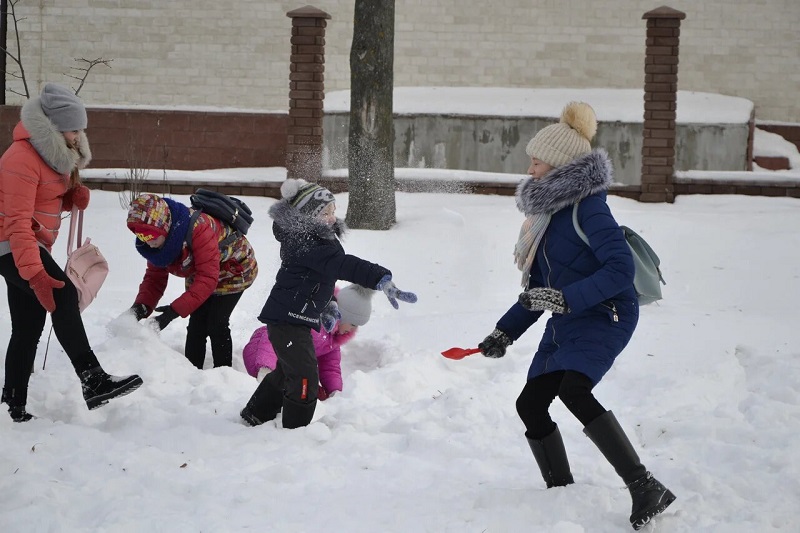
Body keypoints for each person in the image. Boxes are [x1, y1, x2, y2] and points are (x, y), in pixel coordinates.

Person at [476, 102, 675, 530]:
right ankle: (560, 493)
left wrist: (566, 299)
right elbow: (537, 291)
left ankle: (644, 486)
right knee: (530, 404)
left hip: (607, 313)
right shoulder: (547, 217)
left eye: (536, 161)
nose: (529, 170)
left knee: (574, 389)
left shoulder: (589, 208)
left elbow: (620, 270)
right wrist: (503, 333)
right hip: (568, 319)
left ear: (561, 165)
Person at [0, 83, 143, 421]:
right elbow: (17, 222)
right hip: (11, 245)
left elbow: (40, 199)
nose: (78, 135)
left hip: (28, 244)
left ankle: (13, 405)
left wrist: (68, 199)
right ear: (52, 126)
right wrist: (36, 274)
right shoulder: (20, 158)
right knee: (62, 296)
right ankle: (93, 380)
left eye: (81, 128)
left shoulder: (52, 156)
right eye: (73, 128)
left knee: (28, 326)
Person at [240, 178, 417, 429]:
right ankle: (295, 431)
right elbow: (342, 265)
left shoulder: (317, 241)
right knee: (304, 378)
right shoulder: (307, 244)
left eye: (334, 210)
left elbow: (316, 282)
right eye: (325, 213)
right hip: (287, 321)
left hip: (293, 318)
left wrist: (328, 306)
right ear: (308, 216)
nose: (333, 217)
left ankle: (254, 415)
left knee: (288, 372)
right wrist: (378, 278)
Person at [126, 193, 258, 369]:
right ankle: (191, 371)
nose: (147, 243)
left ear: (163, 226)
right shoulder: (158, 243)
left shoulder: (199, 229)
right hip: (203, 271)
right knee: (197, 325)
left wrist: (173, 311)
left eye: (150, 236)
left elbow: (208, 278)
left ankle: (224, 374)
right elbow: (154, 279)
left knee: (216, 323)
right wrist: (141, 306)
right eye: (141, 237)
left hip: (233, 271)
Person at [242, 283, 375, 400]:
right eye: (352, 324)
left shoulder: (332, 343)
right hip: (261, 350)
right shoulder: (312, 326)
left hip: (289, 366)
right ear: (340, 316)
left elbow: (330, 367)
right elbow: (271, 339)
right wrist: (266, 368)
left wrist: (334, 391)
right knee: (291, 385)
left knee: (312, 391)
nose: (353, 329)